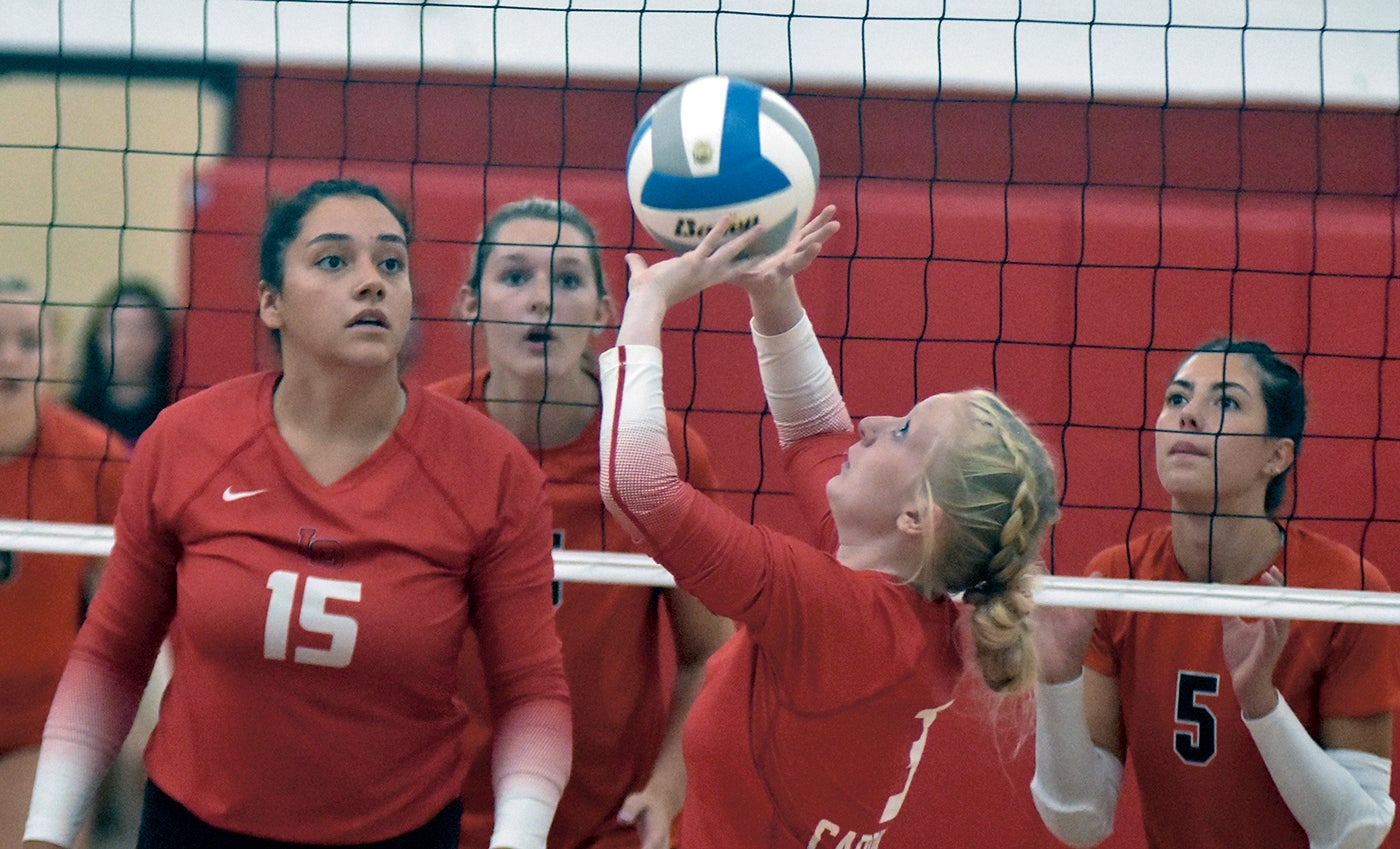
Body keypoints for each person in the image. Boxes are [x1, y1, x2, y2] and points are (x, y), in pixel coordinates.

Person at [22, 178, 571, 849]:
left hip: (398, 832)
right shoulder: (185, 442)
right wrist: (47, 833)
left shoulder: (491, 466)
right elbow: (110, 656)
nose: (371, 281)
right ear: (270, 302)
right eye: (334, 260)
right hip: (195, 826)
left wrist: (519, 839)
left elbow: (533, 691)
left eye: (391, 263)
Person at [598, 207, 1061, 849]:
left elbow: (639, 486)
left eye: (902, 433)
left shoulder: (836, 616)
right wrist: (772, 292)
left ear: (917, 517)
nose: (869, 422)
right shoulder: (898, 596)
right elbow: (817, 431)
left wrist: (647, 303)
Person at [430, 197, 732, 849]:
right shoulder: (420, 437)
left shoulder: (660, 453)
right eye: (515, 277)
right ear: (469, 302)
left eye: (567, 279)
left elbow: (709, 651)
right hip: (432, 820)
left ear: (603, 311)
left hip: (605, 828)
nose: (542, 298)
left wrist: (666, 788)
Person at [1031, 338, 1400, 849]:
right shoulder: (1120, 581)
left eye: (1226, 402)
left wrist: (1261, 703)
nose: (1189, 416)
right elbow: (1081, 821)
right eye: (1177, 398)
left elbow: (1355, 834)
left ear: (1277, 455)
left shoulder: (1345, 592)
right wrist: (1056, 681)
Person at [0, 276, 128, 848]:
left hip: (39, 723)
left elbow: (124, 608)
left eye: (28, 341)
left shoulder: (97, 457)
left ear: (55, 355)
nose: (9, 357)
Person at [70, 279, 175, 445]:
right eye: (117, 328)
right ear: (97, 337)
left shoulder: (175, 413)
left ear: (163, 337)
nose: (129, 343)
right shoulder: (73, 414)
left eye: (141, 329)